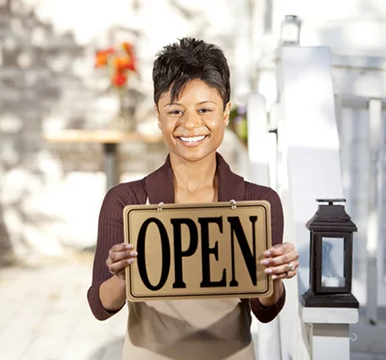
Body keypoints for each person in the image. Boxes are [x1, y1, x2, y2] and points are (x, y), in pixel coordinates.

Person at [87, 37, 299, 360]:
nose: (190, 124)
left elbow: (264, 309)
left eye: (205, 109)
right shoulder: (125, 200)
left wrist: (275, 277)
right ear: (158, 116)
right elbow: (101, 306)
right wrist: (121, 278)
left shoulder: (259, 202)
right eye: (175, 111)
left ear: (225, 113)